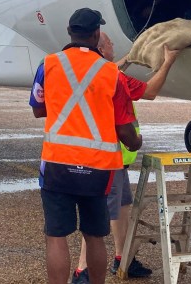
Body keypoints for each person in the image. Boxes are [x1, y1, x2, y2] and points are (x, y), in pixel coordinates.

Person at [30, 8, 142, 284]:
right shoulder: (112, 74)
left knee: (56, 236)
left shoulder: (49, 65)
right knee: (94, 236)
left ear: (69, 32)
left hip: (57, 164)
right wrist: (137, 141)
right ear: (96, 35)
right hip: (97, 168)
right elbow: (126, 131)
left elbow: (38, 109)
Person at [72, 33, 179, 283]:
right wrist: (168, 62)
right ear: (100, 47)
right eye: (109, 43)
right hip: (105, 158)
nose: (113, 46)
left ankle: (124, 259)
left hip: (109, 156)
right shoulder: (114, 77)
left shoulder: (93, 72)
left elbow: (113, 67)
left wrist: (129, 58)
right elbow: (150, 92)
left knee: (121, 208)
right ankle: (82, 271)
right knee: (98, 216)